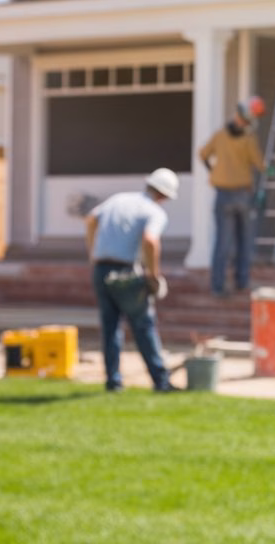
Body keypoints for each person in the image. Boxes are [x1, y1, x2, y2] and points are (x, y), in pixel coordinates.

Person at [84, 167, 179, 393]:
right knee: (143, 324)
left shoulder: (119, 199)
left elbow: (90, 220)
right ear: (164, 196)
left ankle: (113, 382)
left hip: (100, 269)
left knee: (110, 327)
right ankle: (161, 381)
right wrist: (153, 275)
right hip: (126, 272)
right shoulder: (153, 212)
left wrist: (93, 253)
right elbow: (150, 241)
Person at [198, 97, 266, 296]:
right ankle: (242, 281)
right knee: (244, 239)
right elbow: (260, 165)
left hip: (222, 194)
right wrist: (271, 170)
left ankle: (218, 286)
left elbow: (202, 154)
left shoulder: (220, 136)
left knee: (222, 242)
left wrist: (213, 171)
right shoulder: (248, 139)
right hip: (243, 194)